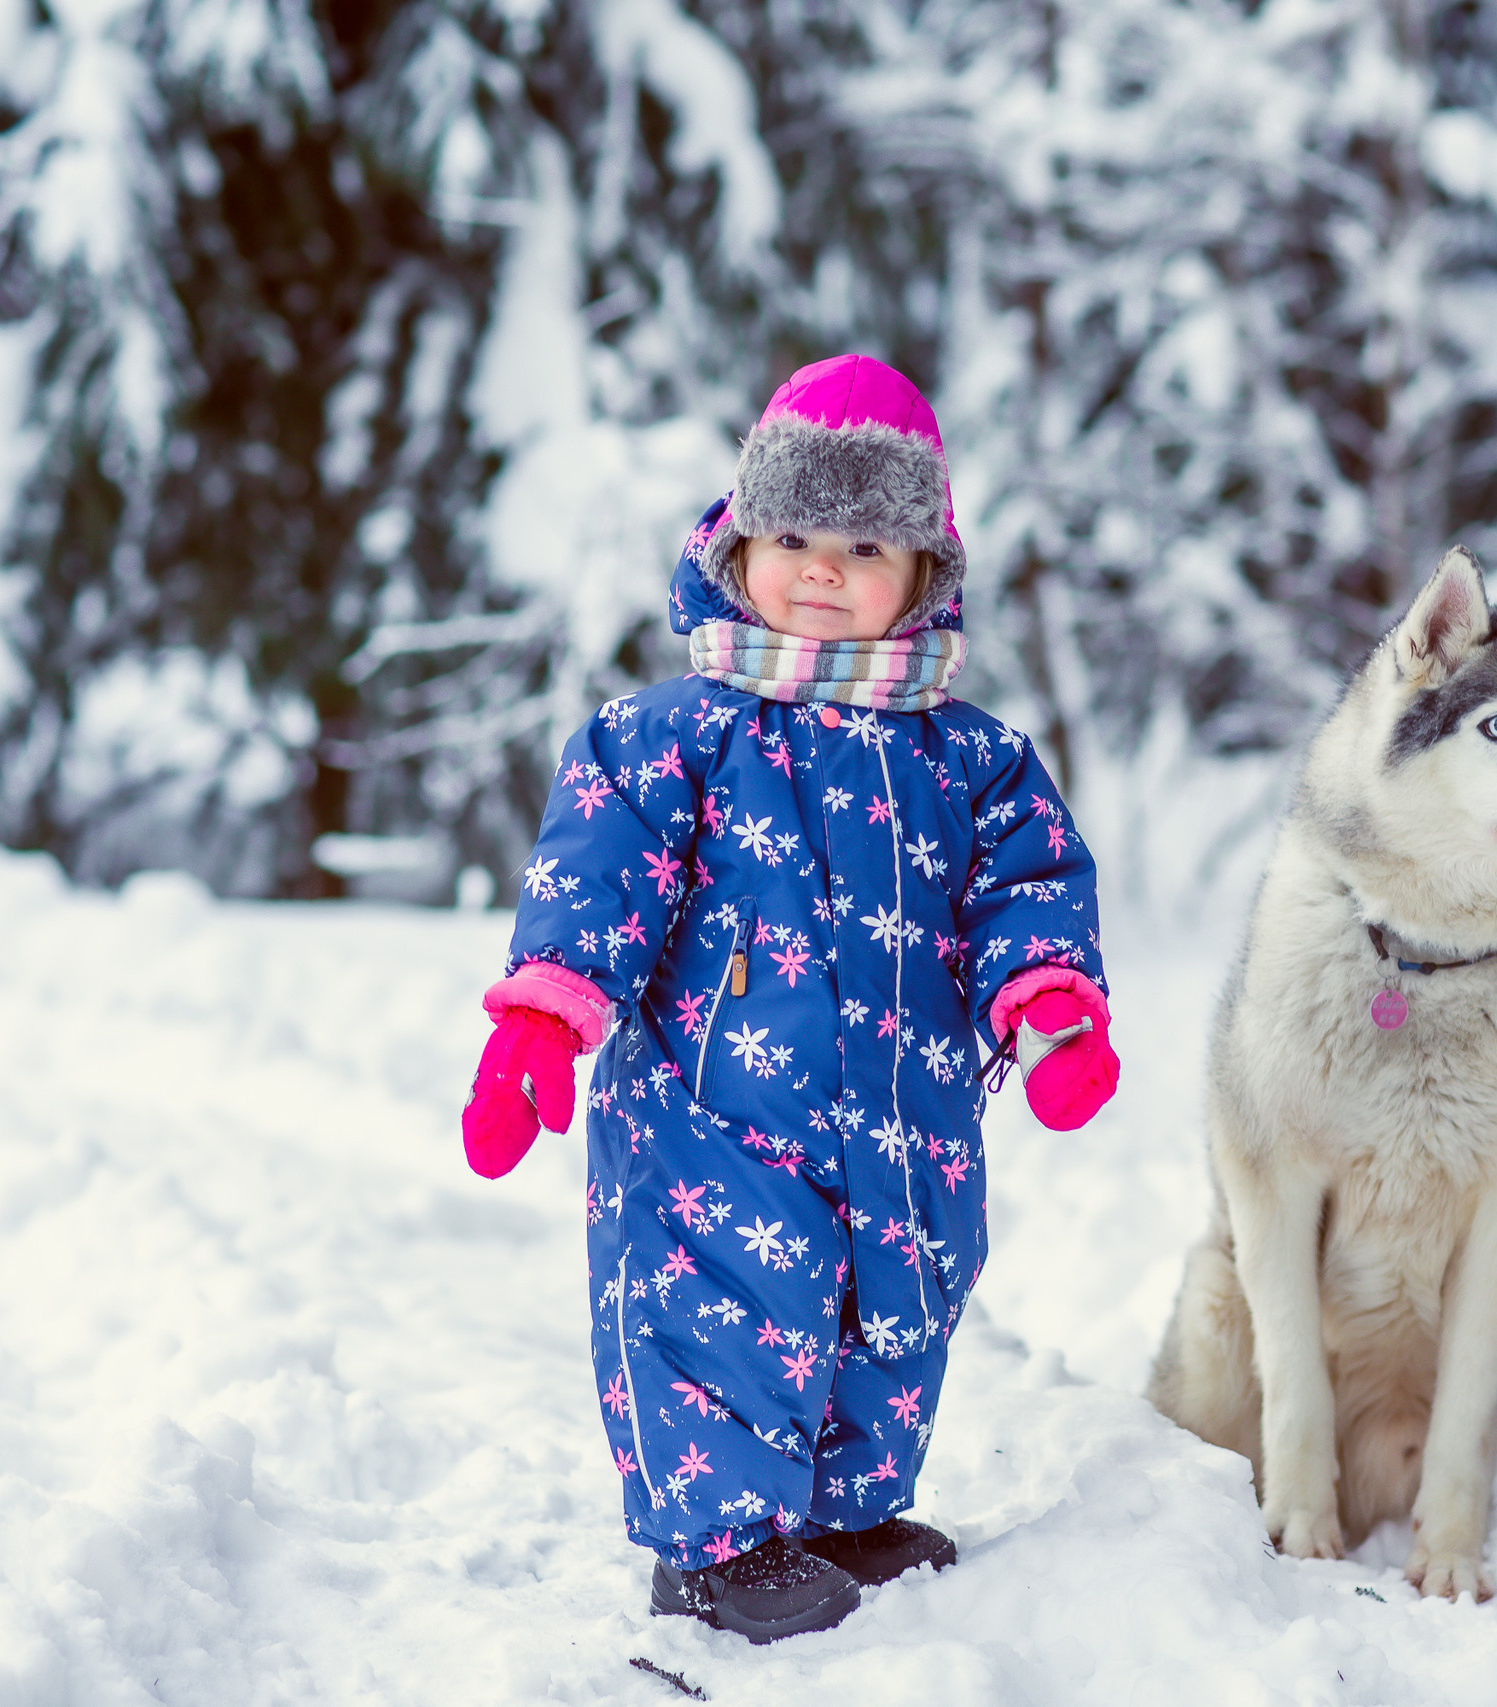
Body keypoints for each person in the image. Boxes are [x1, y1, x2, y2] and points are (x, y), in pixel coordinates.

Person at [458, 354, 1118, 1643]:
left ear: (925, 572)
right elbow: (598, 881)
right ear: (741, 541)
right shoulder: (669, 736)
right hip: (715, 1118)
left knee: (902, 1298)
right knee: (719, 1311)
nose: (823, 567)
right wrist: (543, 1018)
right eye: (796, 533)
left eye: (866, 542)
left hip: (908, 1118)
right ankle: (714, 1544)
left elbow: (1027, 891)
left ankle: (845, 1508)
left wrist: (1048, 1008)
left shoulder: (972, 757)